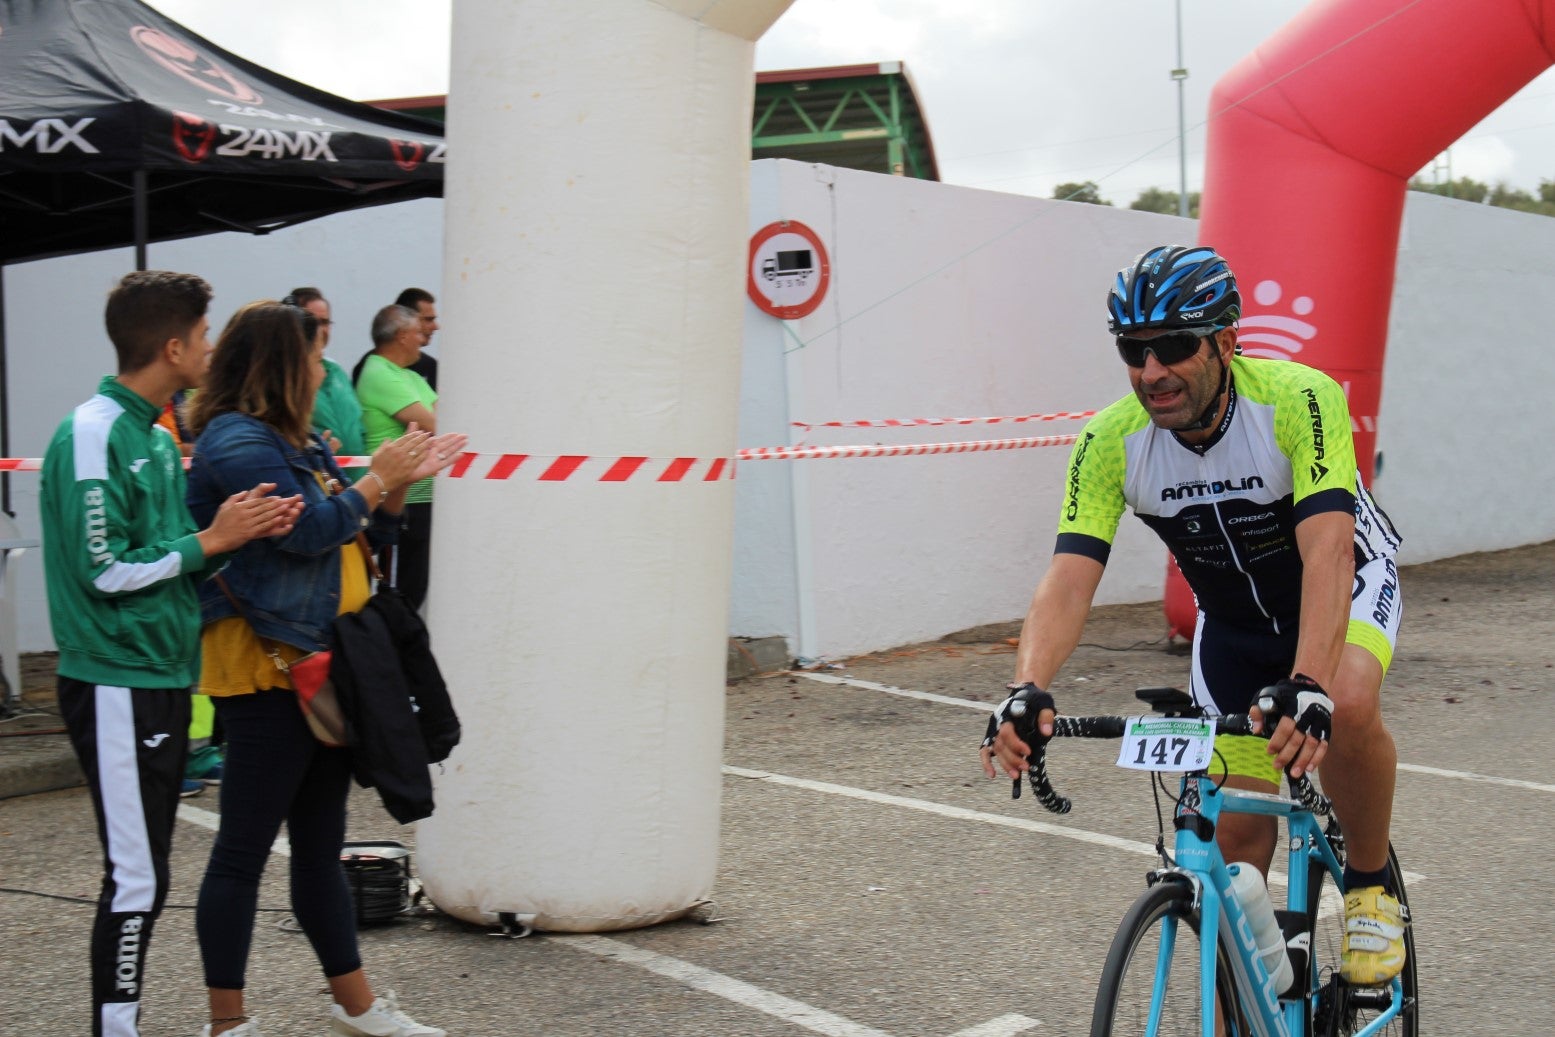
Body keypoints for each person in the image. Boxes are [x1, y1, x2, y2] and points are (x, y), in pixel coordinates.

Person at [979, 245, 1407, 987]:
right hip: (1233, 626)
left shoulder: (1296, 399)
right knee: (1232, 845)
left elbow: (1329, 551)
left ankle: (1370, 886)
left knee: (1347, 699)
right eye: (1133, 351)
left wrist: (1306, 679)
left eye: (1174, 346)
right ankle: (1267, 991)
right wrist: (1026, 686)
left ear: (1227, 341)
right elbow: (1069, 578)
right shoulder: (1110, 441)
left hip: (1342, 583)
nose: (1152, 372)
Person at [185, 301, 466, 1037]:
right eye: (314, 356)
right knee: (242, 850)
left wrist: (397, 481)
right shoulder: (236, 441)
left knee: (318, 846)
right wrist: (373, 479)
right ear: (281, 363)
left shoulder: (295, 438)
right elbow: (308, 533)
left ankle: (359, 1005)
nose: (323, 370)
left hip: (318, 662)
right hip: (268, 667)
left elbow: (370, 532)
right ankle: (227, 1022)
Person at [39, 271, 303, 1037]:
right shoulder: (90, 431)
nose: (214, 347)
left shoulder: (158, 434)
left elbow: (169, 557)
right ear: (174, 345)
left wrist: (235, 538)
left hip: (158, 677)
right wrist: (211, 539)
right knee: (135, 878)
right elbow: (104, 567)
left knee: (144, 875)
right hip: (112, 678)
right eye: (206, 333)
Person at [355, 305, 440, 610]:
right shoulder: (378, 372)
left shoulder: (410, 376)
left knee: (416, 589)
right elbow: (436, 423)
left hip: (421, 497)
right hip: (399, 501)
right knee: (399, 595)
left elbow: (448, 417)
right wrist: (436, 419)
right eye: (419, 331)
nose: (425, 337)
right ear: (403, 336)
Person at [286, 287, 366, 477]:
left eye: (325, 322)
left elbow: (357, 424)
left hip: (356, 484)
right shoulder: (290, 377)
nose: (321, 330)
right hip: (318, 483)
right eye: (314, 322)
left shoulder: (336, 371)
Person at [354, 289, 439, 390]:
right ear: (405, 321)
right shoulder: (372, 368)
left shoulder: (430, 366)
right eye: (428, 320)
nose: (436, 326)